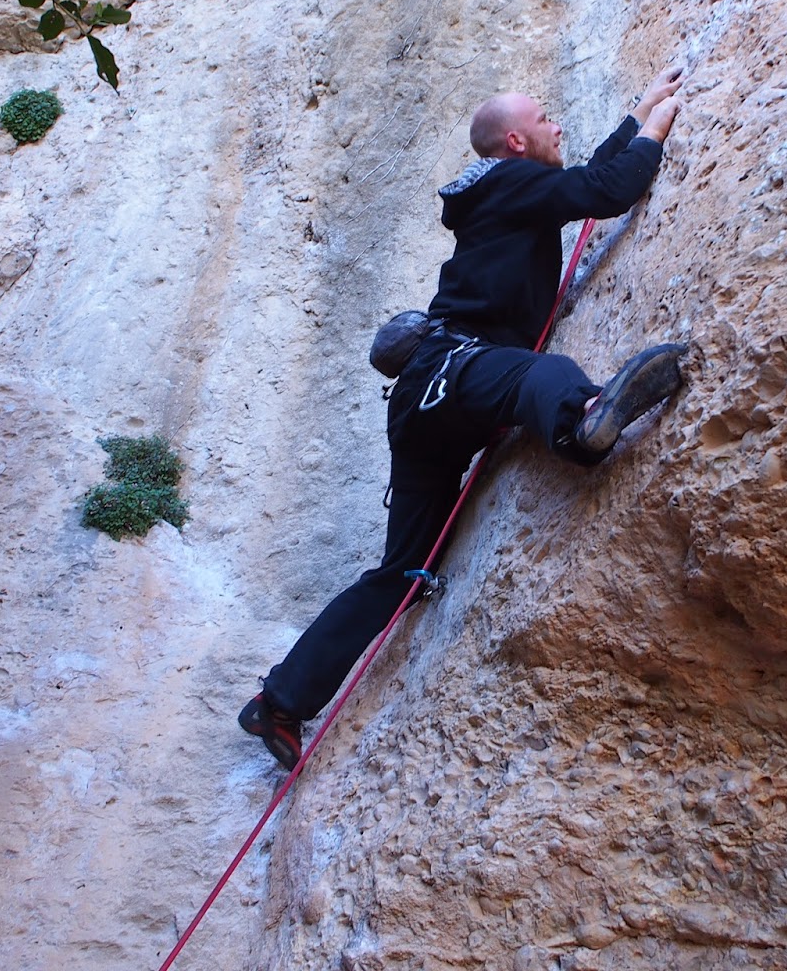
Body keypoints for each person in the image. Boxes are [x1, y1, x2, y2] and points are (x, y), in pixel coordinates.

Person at [239, 68, 689, 770]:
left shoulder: (503, 191)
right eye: (544, 120)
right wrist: (657, 132)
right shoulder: (511, 183)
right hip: (462, 371)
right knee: (540, 374)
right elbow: (605, 191)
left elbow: (585, 180)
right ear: (515, 140)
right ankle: (585, 423)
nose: (556, 126)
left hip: (427, 401)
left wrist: (633, 118)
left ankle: (281, 702)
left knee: (402, 572)